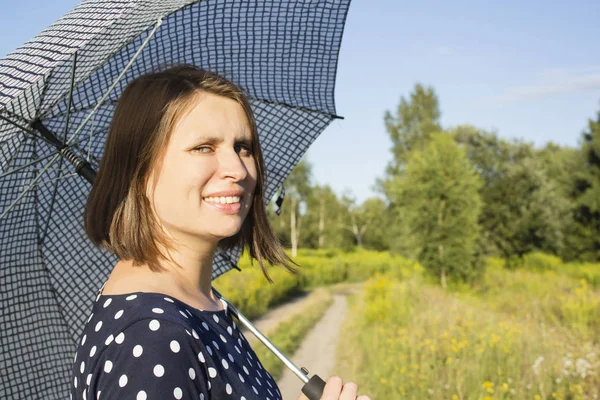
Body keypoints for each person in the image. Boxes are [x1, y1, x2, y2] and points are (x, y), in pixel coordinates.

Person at [70, 65, 370, 400]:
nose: (238, 169)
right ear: (139, 171)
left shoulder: (199, 303)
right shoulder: (153, 337)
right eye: (204, 147)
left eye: (242, 146)